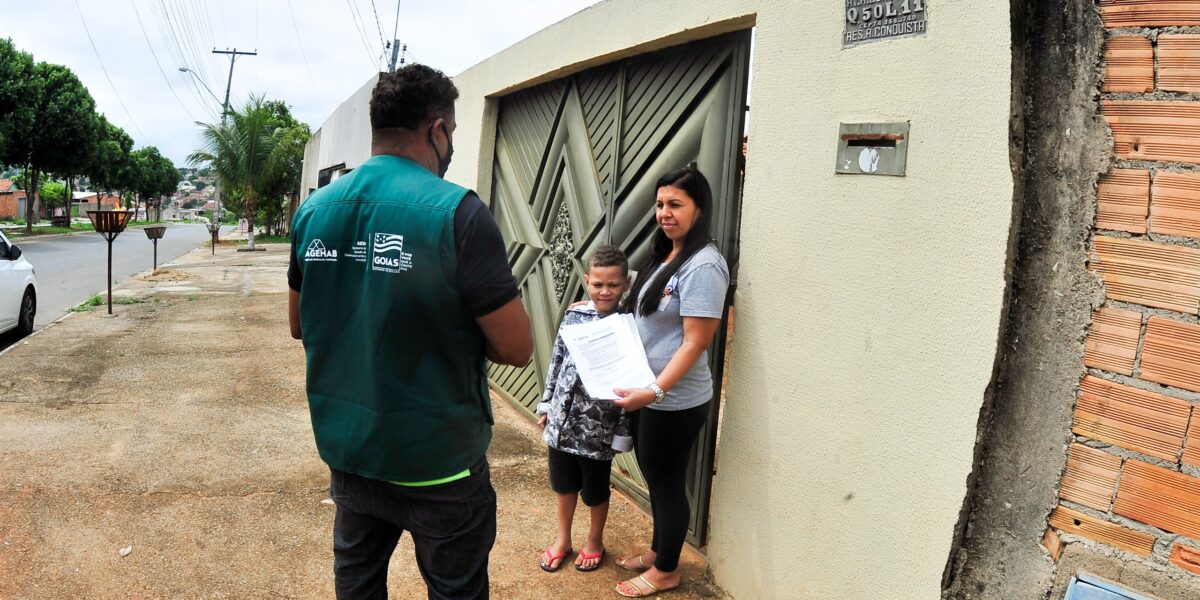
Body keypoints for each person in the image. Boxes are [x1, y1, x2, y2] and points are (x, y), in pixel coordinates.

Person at [287, 64, 533, 600]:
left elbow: (298, 324)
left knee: (357, 584)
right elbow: (516, 348)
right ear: (438, 130)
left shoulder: (313, 212)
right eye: (452, 135)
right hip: (438, 465)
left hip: (352, 455)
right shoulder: (458, 215)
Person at [610, 164, 730, 598]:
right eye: (660, 204)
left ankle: (666, 571)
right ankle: (661, 550)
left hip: (674, 400)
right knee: (655, 476)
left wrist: (656, 390)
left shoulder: (704, 267)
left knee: (665, 482)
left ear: (699, 209)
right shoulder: (666, 254)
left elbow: (695, 342)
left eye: (676, 204)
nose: (665, 212)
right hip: (648, 393)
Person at [534, 245, 634, 574]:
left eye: (613, 285)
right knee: (563, 485)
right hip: (561, 423)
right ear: (587, 280)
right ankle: (562, 539)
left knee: (594, 491)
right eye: (598, 284)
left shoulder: (629, 325)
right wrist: (547, 403)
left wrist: (622, 432)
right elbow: (557, 360)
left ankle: (594, 540)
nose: (604, 291)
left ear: (626, 285)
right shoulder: (574, 315)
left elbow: (634, 380)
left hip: (599, 430)